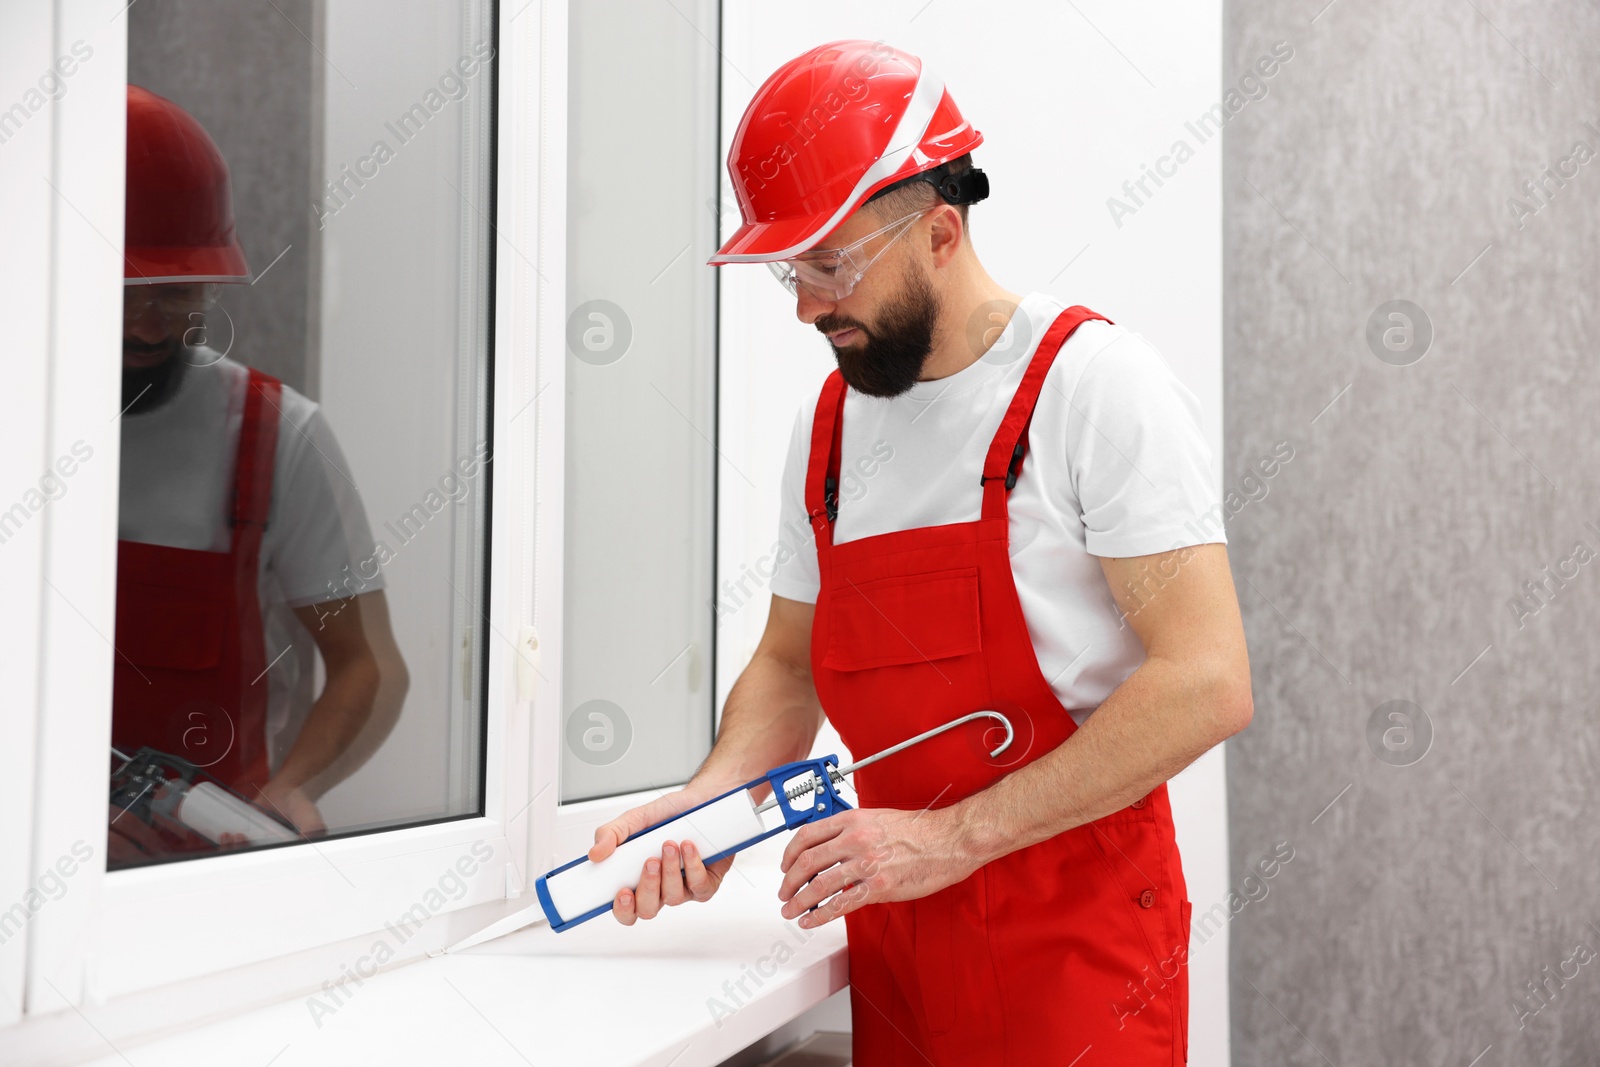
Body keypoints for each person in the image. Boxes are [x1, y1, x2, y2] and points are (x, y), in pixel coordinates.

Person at [587, 41, 1252, 1065]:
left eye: (830, 264)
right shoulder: (831, 429)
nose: (807, 304)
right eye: (789, 271)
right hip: (897, 943)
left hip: (1075, 959)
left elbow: (1206, 680)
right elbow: (784, 658)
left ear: (940, 230)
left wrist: (945, 840)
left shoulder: (1093, 388)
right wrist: (715, 797)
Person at [110, 85, 408, 865]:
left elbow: (367, 665)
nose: (150, 321)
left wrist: (290, 787)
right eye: (128, 291)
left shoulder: (276, 435)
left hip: (202, 868)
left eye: (175, 291)